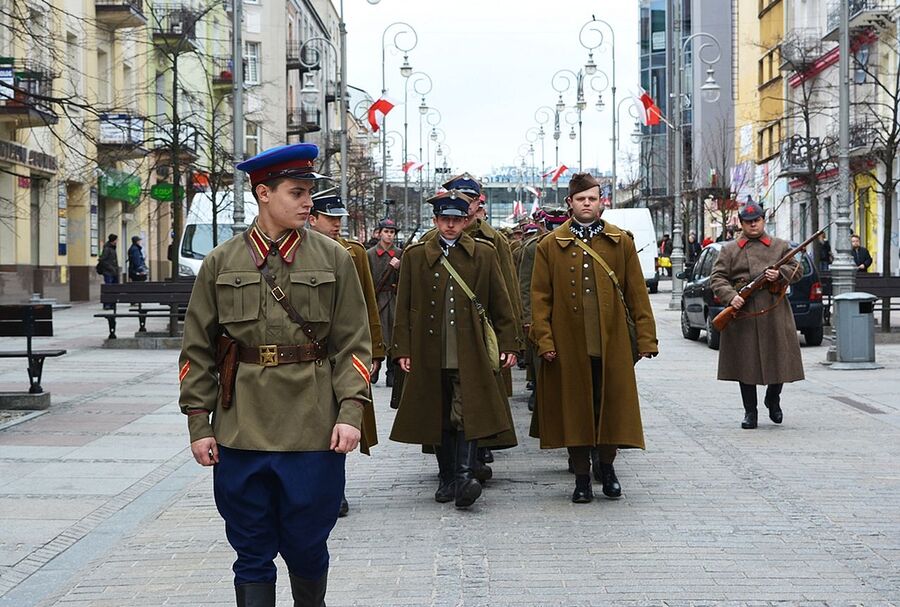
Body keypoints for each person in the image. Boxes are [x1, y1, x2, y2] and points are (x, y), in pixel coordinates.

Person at [178, 143, 372, 607]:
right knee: (251, 550)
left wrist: (351, 412)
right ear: (263, 193)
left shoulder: (334, 258)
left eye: (309, 192)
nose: (308, 202)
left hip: (312, 427)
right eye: (297, 192)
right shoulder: (221, 262)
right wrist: (198, 424)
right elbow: (197, 350)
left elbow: (354, 345)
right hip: (241, 428)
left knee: (307, 547)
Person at [530, 173, 658, 503]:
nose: (587, 203)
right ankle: (582, 478)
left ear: (602, 202)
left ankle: (608, 468)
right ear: (570, 203)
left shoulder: (621, 242)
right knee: (576, 410)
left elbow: (637, 293)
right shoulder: (549, 246)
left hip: (611, 343)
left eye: (593, 198)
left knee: (610, 407)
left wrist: (646, 338)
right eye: (580, 199)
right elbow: (540, 297)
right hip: (568, 345)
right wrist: (544, 339)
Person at [389, 189, 519, 509]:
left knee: (466, 412)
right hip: (429, 349)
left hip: (469, 349)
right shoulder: (416, 255)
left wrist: (510, 344)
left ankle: (463, 478)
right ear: (435, 220)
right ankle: (446, 477)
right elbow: (403, 307)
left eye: (456, 220)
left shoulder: (484, 254)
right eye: (444, 220)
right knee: (439, 414)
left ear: (465, 221)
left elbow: (501, 303)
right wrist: (402, 350)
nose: (450, 226)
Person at [308, 189, 383, 518]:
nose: (337, 225)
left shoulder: (354, 253)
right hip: (308, 355)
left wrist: (376, 350)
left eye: (339, 219)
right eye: (330, 219)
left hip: (343, 354)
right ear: (314, 219)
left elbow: (367, 304)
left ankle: (336, 491)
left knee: (342, 421)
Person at [709, 202, 804, 430]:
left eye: (757, 220)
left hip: (774, 311)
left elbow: (797, 270)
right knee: (745, 364)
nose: (753, 224)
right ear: (741, 223)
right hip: (744, 313)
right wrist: (731, 297)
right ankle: (750, 411)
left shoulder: (780, 246)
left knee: (779, 358)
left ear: (763, 220)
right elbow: (717, 278)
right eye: (749, 221)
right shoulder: (730, 250)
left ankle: (773, 398)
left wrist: (779, 273)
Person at [366, 218, 402, 388]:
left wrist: (399, 267)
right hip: (376, 298)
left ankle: (391, 372)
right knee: (377, 332)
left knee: (393, 333)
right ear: (379, 233)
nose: (389, 235)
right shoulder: (370, 254)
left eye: (392, 232)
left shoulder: (400, 254)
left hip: (393, 298)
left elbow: (404, 279)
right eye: (386, 232)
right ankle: (374, 368)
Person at [98, 234, 120, 309]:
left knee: (113, 288)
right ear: (113, 240)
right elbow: (102, 260)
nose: (117, 241)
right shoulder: (107, 248)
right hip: (108, 272)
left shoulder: (112, 248)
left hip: (113, 271)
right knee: (108, 288)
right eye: (116, 240)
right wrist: (111, 268)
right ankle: (107, 304)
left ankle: (111, 303)